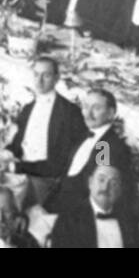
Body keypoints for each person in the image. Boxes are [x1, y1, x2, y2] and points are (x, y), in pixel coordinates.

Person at [7, 57, 88, 208]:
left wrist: (16, 168)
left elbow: (57, 165)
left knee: (5, 205)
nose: (39, 81)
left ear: (57, 78)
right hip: (19, 172)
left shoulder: (68, 113)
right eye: (36, 75)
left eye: (46, 75)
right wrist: (4, 156)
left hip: (44, 179)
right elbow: (17, 144)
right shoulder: (28, 108)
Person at [47, 88, 133, 215]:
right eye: (86, 107)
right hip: (57, 207)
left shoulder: (106, 146)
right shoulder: (84, 135)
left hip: (77, 217)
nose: (88, 114)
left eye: (96, 108)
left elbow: (99, 195)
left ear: (110, 113)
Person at [49, 165, 137, 248]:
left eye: (113, 183)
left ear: (119, 190)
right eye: (101, 180)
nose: (105, 187)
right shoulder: (68, 220)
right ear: (90, 182)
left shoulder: (129, 222)